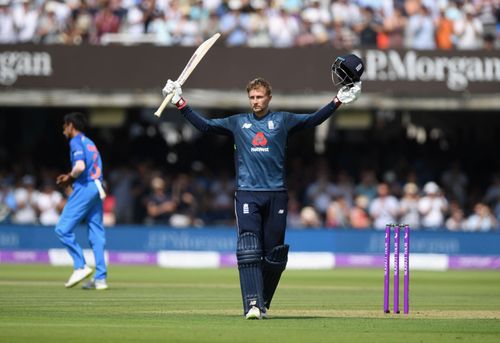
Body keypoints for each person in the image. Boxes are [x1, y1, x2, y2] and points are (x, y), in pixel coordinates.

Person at [161, 54, 363, 319]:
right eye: (252, 98)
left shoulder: (282, 120)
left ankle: (263, 301)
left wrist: (337, 101)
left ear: (269, 98)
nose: (255, 102)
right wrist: (180, 103)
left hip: (276, 194)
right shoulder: (237, 123)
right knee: (249, 248)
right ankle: (252, 304)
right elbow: (207, 127)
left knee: (275, 254)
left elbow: (313, 120)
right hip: (247, 193)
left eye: (259, 97)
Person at [54, 112, 108, 290]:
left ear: (71, 125)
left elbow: (80, 166)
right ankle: (100, 278)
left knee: (62, 229)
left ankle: (81, 265)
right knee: (96, 233)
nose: (63, 129)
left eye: (64, 125)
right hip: (97, 187)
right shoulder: (89, 142)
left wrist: (69, 178)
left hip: (85, 187)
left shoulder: (75, 141)